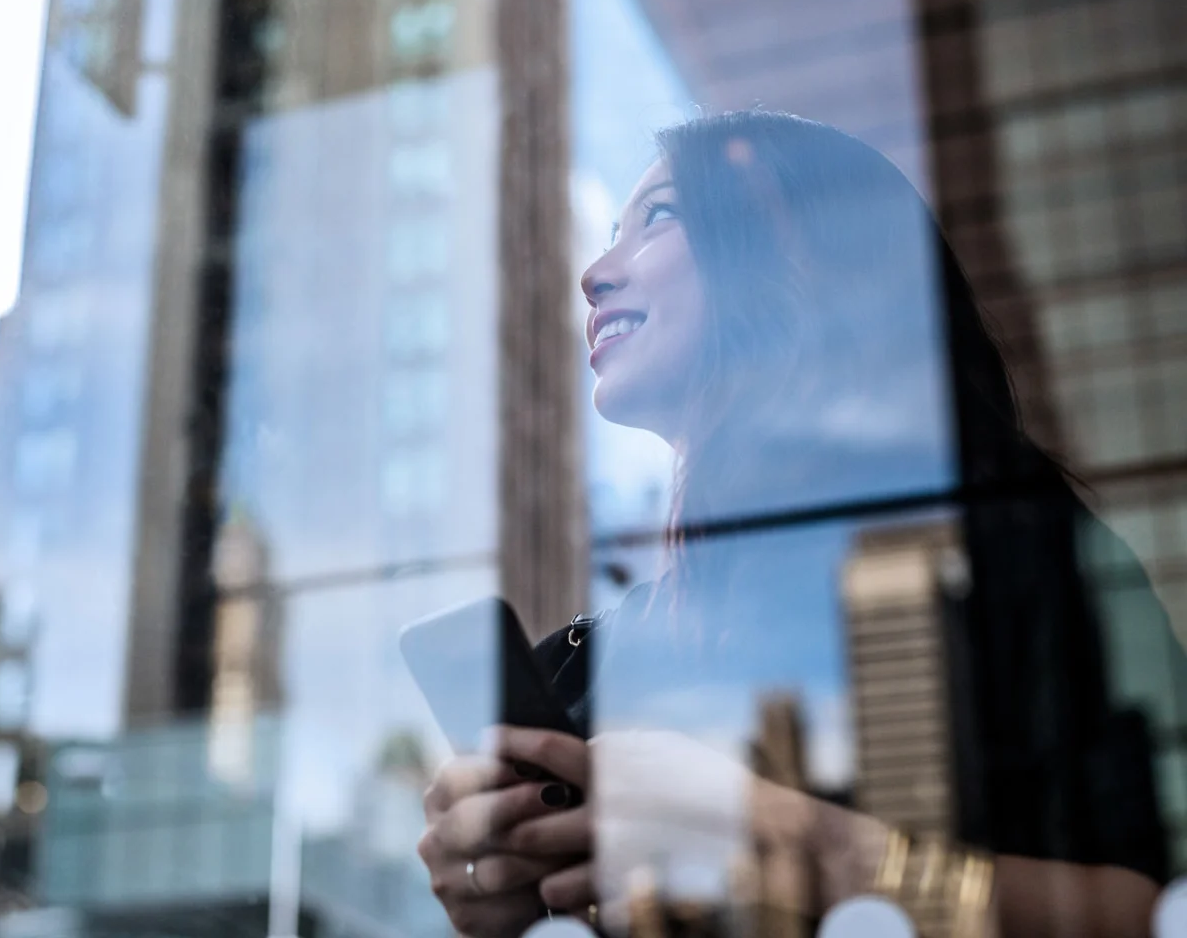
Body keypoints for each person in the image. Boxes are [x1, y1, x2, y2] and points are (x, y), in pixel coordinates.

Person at [416, 111, 1176, 937]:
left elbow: (1156, 907)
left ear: (803, 253)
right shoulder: (583, 669)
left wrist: (778, 839)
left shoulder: (1006, 549)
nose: (595, 272)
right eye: (609, 236)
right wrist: (495, 883)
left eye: (661, 217)